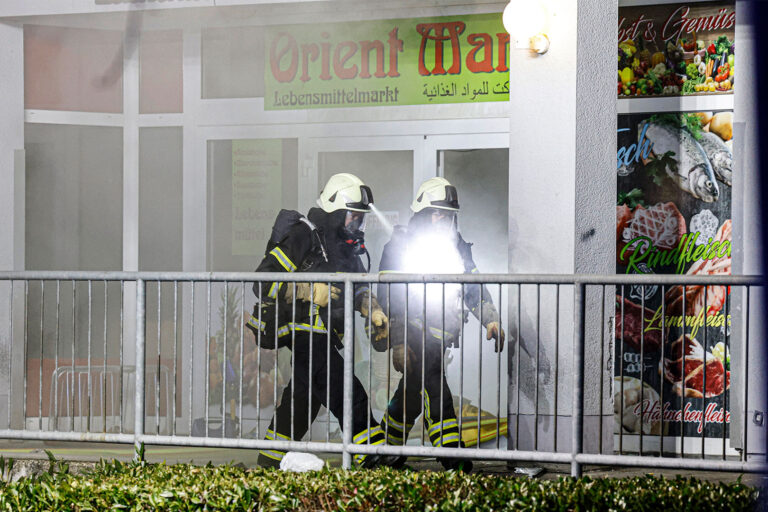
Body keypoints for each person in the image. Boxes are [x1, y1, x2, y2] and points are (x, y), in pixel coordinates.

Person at [246, 173, 391, 468]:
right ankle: (373, 451)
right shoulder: (303, 235)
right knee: (344, 388)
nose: (356, 224)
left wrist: (371, 308)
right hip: (303, 333)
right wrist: (309, 290)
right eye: (352, 216)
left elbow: (358, 287)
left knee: (302, 401)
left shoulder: (345, 247)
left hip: (324, 335)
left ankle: (269, 460)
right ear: (335, 210)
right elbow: (262, 281)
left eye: (360, 219)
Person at [376, 177, 505, 472]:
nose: (444, 219)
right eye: (438, 213)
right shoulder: (402, 245)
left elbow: (473, 286)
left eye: (449, 214)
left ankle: (386, 451)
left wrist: (491, 318)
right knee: (436, 392)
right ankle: (452, 456)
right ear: (422, 214)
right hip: (412, 333)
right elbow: (390, 296)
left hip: (439, 336)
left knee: (410, 395)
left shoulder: (456, 246)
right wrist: (398, 342)